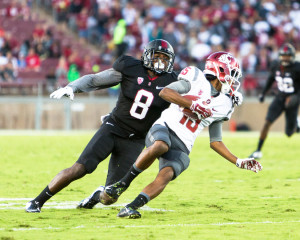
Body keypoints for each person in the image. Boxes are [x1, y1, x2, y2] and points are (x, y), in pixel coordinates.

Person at [95, 52, 263, 218]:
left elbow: (215, 141)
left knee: (167, 173)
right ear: (219, 70)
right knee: (161, 145)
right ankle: (123, 184)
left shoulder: (225, 104)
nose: (234, 80)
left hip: (183, 143)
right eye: (232, 74)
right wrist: (194, 105)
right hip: (164, 128)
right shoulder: (196, 79)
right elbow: (165, 92)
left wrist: (238, 161)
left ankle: (131, 207)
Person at [25, 39, 177, 213]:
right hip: (113, 128)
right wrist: (72, 87)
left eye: (165, 58)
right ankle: (37, 201)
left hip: (135, 140)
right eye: (156, 56)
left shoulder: (172, 82)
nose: (160, 61)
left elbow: (188, 98)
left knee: (110, 196)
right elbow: (95, 80)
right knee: (80, 168)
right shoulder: (130, 69)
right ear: (146, 56)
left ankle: (96, 196)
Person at [249, 43, 300, 159]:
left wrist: (296, 97)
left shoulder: (297, 67)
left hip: (292, 100)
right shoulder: (276, 65)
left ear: (292, 56)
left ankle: (297, 125)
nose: (285, 58)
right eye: (283, 56)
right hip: (279, 98)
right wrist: (263, 93)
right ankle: (258, 150)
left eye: (287, 56)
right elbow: (271, 79)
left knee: (289, 134)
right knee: (267, 122)